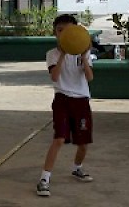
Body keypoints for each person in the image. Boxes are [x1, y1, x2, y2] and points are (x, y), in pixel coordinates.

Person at [36, 14, 94, 197]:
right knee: (59, 138)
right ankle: (44, 179)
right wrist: (63, 54)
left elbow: (90, 77)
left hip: (81, 101)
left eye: (68, 30)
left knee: (83, 143)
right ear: (55, 33)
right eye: (60, 31)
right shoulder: (52, 54)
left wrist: (84, 56)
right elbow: (55, 76)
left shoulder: (83, 54)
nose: (63, 34)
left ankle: (77, 168)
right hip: (62, 99)